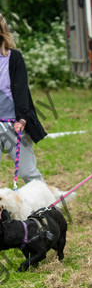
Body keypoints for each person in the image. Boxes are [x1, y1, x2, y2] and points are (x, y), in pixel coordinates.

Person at [0, 12, 47, 184]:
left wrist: (22, 118)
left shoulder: (14, 58)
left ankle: (45, 209)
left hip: (14, 124)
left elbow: (21, 92)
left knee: (29, 174)